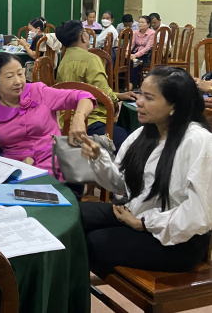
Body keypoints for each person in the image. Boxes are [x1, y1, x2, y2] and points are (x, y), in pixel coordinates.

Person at [80, 67, 212, 273]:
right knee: (75, 216)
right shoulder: (144, 133)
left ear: (174, 106)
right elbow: (120, 184)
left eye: (149, 98)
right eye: (141, 94)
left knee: (93, 242)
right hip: (137, 215)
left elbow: (198, 213)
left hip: (180, 240)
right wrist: (98, 158)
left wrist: (143, 223)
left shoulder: (198, 141)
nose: (139, 102)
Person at [0, 52, 96, 177]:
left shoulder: (39, 92)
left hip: (55, 166)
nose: (18, 81)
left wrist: (79, 117)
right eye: (9, 76)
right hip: (17, 172)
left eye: (20, 74)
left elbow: (84, 96)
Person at [55, 20, 136, 151]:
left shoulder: (63, 62)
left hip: (68, 122)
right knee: (129, 138)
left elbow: (89, 90)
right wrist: (115, 99)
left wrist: (119, 95)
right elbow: (102, 94)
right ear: (83, 36)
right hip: (91, 121)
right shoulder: (91, 59)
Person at [130, 15, 155, 89]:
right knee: (124, 60)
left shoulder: (152, 33)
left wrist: (136, 55)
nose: (140, 24)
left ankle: (131, 84)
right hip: (136, 52)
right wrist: (127, 51)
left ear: (148, 24)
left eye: (143, 22)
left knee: (135, 63)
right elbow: (131, 44)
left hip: (146, 54)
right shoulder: (135, 32)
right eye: (139, 22)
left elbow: (148, 48)